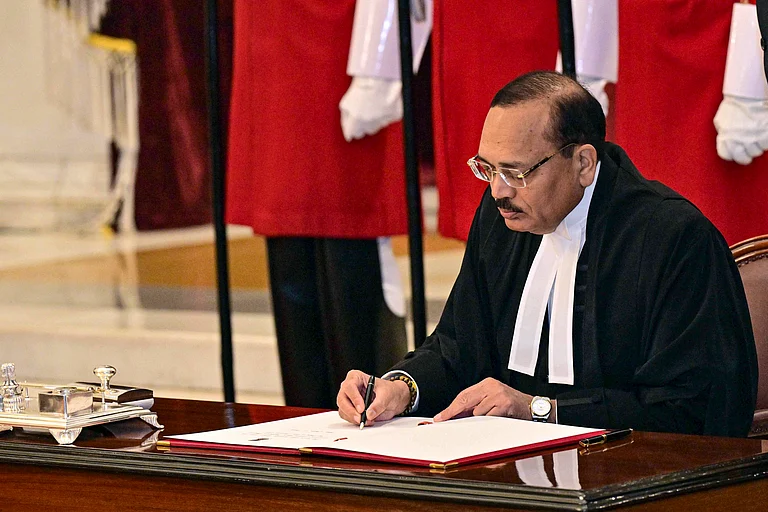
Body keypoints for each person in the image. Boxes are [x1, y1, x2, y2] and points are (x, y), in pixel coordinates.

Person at [337, 71, 758, 437]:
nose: (499, 191)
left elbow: (693, 408)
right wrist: (401, 387)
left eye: (516, 172)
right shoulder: (504, 217)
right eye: (487, 169)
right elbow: (459, 347)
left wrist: (541, 411)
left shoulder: (672, 239)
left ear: (584, 163)